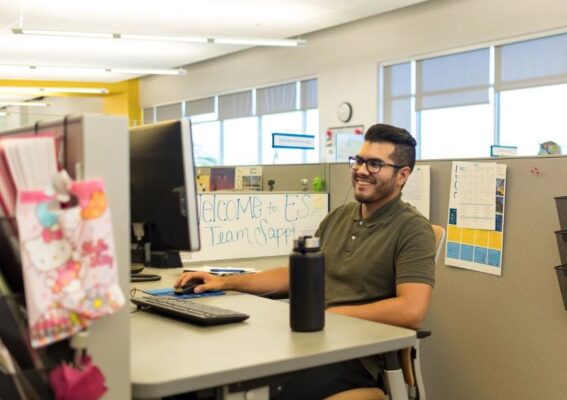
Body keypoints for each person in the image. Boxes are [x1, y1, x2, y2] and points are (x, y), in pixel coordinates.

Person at [176, 123, 436, 399]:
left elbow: (411, 310)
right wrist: (224, 282)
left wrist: (332, 317)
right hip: (310, 342)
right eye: (359, 160)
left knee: (261, 391)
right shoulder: (339, 216)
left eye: (374, 164)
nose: (361, 170)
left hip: (356, 355)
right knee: (208, 373)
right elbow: (298, 276)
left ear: (402, 175)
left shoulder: (412, 228)